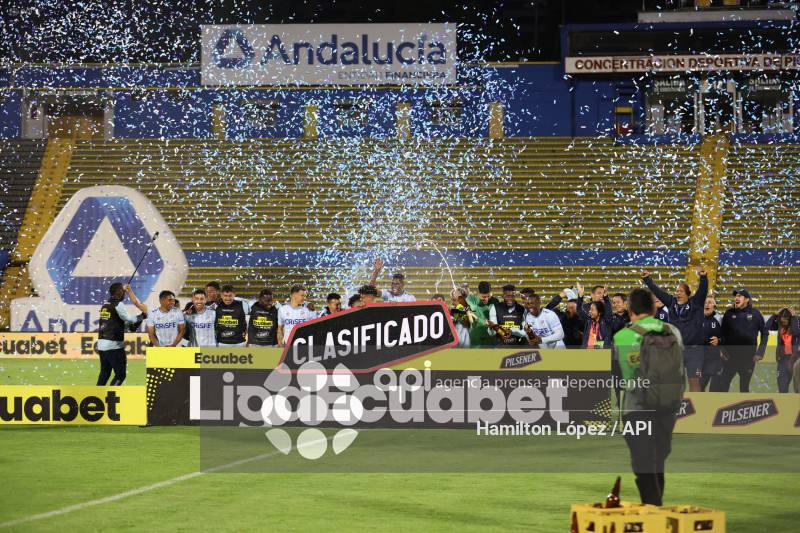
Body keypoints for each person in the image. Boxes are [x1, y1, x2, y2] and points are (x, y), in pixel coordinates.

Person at [613, 288, 683, 506]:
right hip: (668, 405)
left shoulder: (622, 335)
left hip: (637, 406)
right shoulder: (673, 331)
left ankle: (654, 511)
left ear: (630, 310)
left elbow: (617, 377)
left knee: (643, 462)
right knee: (658, 461)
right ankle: (656, 508)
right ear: (654, 309)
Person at [641, 266, 708, 392]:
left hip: (694, 351)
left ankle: (698, 409)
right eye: (677, 291)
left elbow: (703, 290)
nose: (677, 294)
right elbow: (658, 292)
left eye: (681, 291)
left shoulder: (696, 303)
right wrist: (647, 280)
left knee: (693, 381)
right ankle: (675, 409)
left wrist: (703, 278)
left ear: (688, 294)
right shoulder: (671, 303)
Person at [97, 283, 148, 386]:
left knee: (105, 373)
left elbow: (123, 324)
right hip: (113, 346)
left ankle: (97, 396)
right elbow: (129, 319)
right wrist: (141, 316)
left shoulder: (105, 305)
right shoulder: (118, 304)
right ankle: (110, 396)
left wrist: (139, 319)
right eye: (123, 290)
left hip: (101, 346)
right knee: (120, 375)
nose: (125, 293)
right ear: (117, 292)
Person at [720, 289, 768, 393]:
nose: (736, 298)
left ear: (746, 299)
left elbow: (765, 333)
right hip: (730, 357)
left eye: (739, 296)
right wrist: (723, 351)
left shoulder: (756, 314)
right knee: (723, 386)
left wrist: (760, 353)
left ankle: (743, 408)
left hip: (748, 357)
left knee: (744, 387)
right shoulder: (729, 313)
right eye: (736, 296)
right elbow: (722, 333)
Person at [764, 307, 799, 393]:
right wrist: (775, 315)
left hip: (796, 360)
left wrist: (793, 317)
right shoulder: (780, 326)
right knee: (782, 389)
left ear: (790, 319)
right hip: (783, 359)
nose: (784, 323)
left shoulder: (796, 323)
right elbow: (767, 326)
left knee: (798, 389)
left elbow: (797, 333)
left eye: (786, 321)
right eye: (782, 321)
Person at [464, 281, 501, 348]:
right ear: (478, 292)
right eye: (484, 297)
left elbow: (496, 322)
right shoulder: (470, 300)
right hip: (475, 343)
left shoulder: (495, 301)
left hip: (491, 342)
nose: (486, 299)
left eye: (488, 296)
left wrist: (479, 320)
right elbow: (470, 310)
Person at [699, 297, 724, 392]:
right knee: (699, 388)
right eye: (705, 302)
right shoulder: (698, 319)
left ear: (714, 306)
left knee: (714, 389)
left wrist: (719, 340)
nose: (707, 304)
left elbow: (727, 336)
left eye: (710, 302)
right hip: (702, 359)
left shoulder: (719, 319)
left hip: (715, 359)